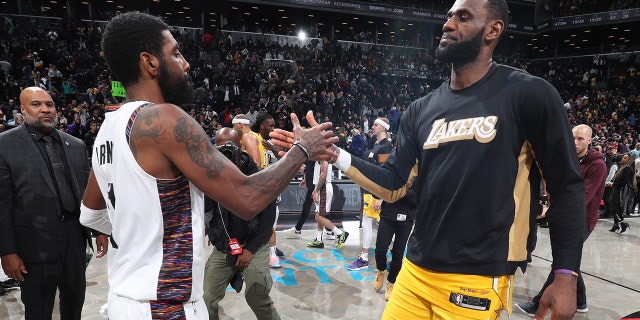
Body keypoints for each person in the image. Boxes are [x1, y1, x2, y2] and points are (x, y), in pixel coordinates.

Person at [270, 0, 585, 318]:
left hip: (476, 277)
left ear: (493, 29)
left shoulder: (529, 94)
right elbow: (392, 184)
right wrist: (334, 154)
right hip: (414, 269)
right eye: (449, 16)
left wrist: (565, 276)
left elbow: (567, 187)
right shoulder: (421, 110)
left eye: (463, 17)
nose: (448, 24)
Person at [79, 12, 336, 319]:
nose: (185, 63)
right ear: (149, 63)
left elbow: (91, 214)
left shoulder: (108, 127)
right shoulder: (165, 119)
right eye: (175, 53)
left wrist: (139, 231)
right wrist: (302, 149)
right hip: (165, 305)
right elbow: (246, 198)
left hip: (122, 299)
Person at [0, 87, 108, 319]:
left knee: (74, 304)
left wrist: (98, 229)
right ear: (22, 110)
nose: (45, 110)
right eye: (36, 105)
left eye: (49, 104)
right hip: (32, 245)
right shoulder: (5, 145)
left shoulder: (76, 145)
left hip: (74, 239)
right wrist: (7, 251)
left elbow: (85, 193)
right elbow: (2, 205)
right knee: (38, 310)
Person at [516, 124, 607, 315]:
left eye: (580, 139)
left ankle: (537, 303)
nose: (574, 142)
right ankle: (580, 301)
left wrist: (551, 208)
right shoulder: (568, 159)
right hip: (562, 214)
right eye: (572, 137)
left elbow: (583, 198)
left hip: (582, 220)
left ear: (590, 141)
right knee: (572, 261)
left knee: (561, 263)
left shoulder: (597, 165)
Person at [203, 128, 280, 320]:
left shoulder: (260, 178)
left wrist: (250, 249)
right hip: (225, 248)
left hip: (254, 246)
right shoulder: (211, 176)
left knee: (256, 296)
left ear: (241, 147)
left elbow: (267, 221)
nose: (225, 154)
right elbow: (206, 209)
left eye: (230, 148)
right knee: (205, 298)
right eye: (220, 149)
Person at [347, 117, 393, 271]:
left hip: (376, 193)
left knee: (372, 223)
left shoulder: (386, 146)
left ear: (384, 128)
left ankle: (364, 257)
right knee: (372, 224)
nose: (373, 127)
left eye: (376, 125)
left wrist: (380, 197)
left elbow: (384, 172)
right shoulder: (375, 144)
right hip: (369, 190)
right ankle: (391, 254)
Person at [373, 188, 416, 301]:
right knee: (380, 250)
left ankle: (391, 283)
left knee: (398, 253)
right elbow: (379, 184)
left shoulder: (417, 174)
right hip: (387, 216)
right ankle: (381, 271)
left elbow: (419, 198)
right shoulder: (394, 172)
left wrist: (404, 192)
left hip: (406, 218)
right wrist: (378, 197)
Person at [306, 160, 349, 249]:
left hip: (323, 188)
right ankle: (318, 240)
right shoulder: (320, 157)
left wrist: (316, 191)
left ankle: (340, 233)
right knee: (319, 215)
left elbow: (323, 175)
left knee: (318, 216)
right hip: (321, 186)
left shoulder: (323, 159)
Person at [608, 152, 633, 233]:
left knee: (616, 208)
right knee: (614, 207)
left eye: (625, 158)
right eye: (623, 157)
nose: (623, 159)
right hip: (617, 189)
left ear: (629, 160)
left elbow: (625, 182)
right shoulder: (622, 167)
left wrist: (613, 184)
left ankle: (622, 223)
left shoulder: (627, 169)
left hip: (621, 190)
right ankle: (616, 225)